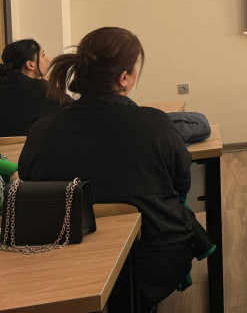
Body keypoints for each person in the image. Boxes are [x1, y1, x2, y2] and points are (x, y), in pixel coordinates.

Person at [17, 27, 198, 310]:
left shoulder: (42, 131)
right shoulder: (155, 125)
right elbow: (182, 183)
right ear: (124, 77)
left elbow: (29, 182)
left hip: (64, 264)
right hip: (154, 258)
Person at [0, 39, 59, 136]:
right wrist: (47, 85)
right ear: (30, 64)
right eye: (43, 55)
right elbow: (74, 113)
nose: (47, 59)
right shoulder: (43, 89)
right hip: (34, 150)